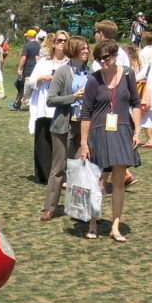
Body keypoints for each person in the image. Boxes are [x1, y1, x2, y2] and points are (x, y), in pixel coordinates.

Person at [78, 39, 141, 242]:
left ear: (115, 55)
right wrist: (84, 143)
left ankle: (115, 226)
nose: (102, 61)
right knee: (98, 182)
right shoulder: (94, 79)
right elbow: (86, 113)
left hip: (122, 130)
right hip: (98, 131)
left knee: (119, 182)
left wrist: (137, 131)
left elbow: (136, 103)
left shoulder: (129, 74)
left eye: (105, 57)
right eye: (98, 58)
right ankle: (93, 222)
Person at [42, 36, 89, 220]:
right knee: (59, 168)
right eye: (83, 48)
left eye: (87, 48)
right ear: (74, 50)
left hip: (83, 125)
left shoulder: (91, 72)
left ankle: (79, 208)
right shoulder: (63, 72)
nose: (86, 51)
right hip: (63, 125)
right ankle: (50, 207)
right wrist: (73, 97)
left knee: (81, 167)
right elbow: (51, 99)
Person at [27, 33, 61, 183]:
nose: (62, 43)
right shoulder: (44, 62)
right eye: (59, 41)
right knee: (43, 141)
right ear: (53, 43)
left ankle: (59, 173)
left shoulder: (70, 63)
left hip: (61, 106)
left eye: (65, 41)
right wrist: (43, 78)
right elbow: (31, 81)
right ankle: (43, 174)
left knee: (59, 143)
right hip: (43, 105)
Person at [12, 28, 40, 110]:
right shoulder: (39, 45)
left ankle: (18, 103)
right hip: (37, 68)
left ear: (29, 36)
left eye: (27, 35)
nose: (26, 37)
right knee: (34, 86)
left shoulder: (27, 46)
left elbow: (23, 58)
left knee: (22, 86)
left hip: (28, 68)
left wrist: (19, 68)